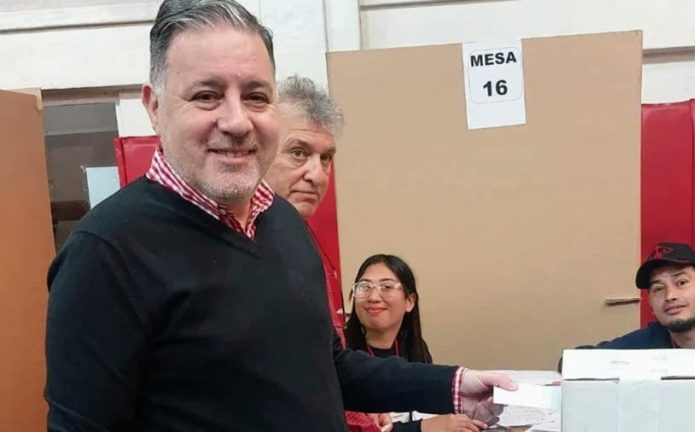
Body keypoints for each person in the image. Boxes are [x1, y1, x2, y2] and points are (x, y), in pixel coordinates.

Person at [44, 1, 514, 431]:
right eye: (207, 95)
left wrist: (452, 386)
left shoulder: (283, 222)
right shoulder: (107, 253)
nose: (237, 121)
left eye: (255, 96)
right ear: (155, 107)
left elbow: (328, 369)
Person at [265, 75, 386, 432]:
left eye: (326, 158)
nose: (317, 175)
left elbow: (322, 366)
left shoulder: (298, 239)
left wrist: (360, 407)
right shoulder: (243, 245)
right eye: (298, 153)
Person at [573, 242, 695, 380]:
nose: (670, 296)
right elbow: (575, 362)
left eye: (681, 282)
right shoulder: (651, 339)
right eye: (658, 288)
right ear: (650, 302)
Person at [346, 254, 488, 432]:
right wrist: (424, 428)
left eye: (387, 287)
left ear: (410, 301)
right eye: (364, 287)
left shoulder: (414, 347)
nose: (373, 297)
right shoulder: (339, 353)